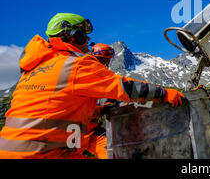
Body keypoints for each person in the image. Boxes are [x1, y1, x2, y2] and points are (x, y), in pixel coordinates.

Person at [0, 13, 185, 159]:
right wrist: (165, 93)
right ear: (72, 36)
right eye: (84, 36)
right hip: (41, 153)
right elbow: (125, 87)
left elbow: (53, 107)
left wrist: (97, 111)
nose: (87, 40)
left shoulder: (33, 69)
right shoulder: (75, 65)